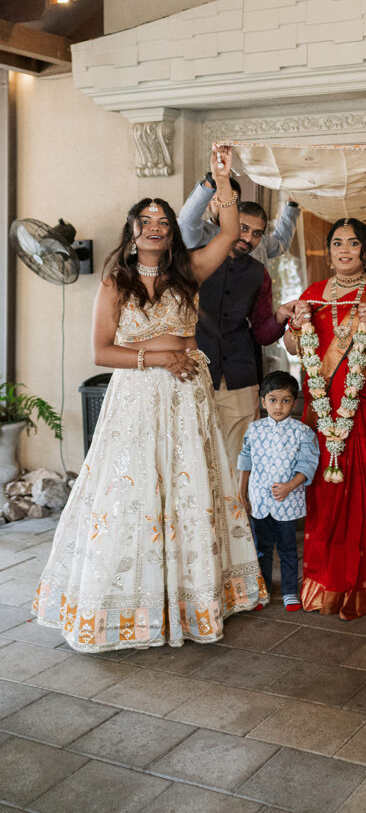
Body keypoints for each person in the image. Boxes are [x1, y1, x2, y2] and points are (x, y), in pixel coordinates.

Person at [33, 146, 267, 652]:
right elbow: (101, 350)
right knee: (134, 492)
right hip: (138, 398)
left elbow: (228, 232)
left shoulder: (191, 273)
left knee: (187, 492)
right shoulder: (116, 280)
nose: (157, 225)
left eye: (163, 219)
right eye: (146, 219)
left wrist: (223, 181)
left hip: (187, 399)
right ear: (133, 229)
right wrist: (159, 357)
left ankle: (189, 596)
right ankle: (128, 604)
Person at [284, 217, 366, 619]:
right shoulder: (314, 293)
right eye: (337, 243)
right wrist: (295, 321)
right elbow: (292, 346)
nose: (344, 250)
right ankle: (323, 582)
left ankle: (363, 586)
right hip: (324, 414)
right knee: (324, 498)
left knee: (365, 496)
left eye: (353, 244)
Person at [179, 190, 296, 470]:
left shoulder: (259, 274)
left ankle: (238, 512)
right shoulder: (193, 260)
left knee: (239, 460)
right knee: (193, 458)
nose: (248, 238)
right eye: (243, 228)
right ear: (225, 221)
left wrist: (279, 317)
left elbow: (262, 334)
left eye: (257, 233)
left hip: (239, 376)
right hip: (192, 371)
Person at [237, 370, 319, 612]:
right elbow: (245, 461)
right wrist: (242, 493)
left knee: (287, 549)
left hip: (287, 502)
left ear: (294, 402)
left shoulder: (303, 433)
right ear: (263, 401)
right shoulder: (254, 430)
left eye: (285, 400)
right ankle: (262, 590)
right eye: (272, 400)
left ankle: (290, 591)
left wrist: (290, 486)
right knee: (261, 549)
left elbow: (308, 464)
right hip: (259, 502)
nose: (278, 406)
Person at [179, 169, 301, 269]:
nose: (226, 205)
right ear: (208, 205)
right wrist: (212, 180)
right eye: (219, 200)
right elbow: (187, 220)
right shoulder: (200, 235)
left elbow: (281, 243)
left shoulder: (256, 238)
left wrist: (292, 205)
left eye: (233, 201)